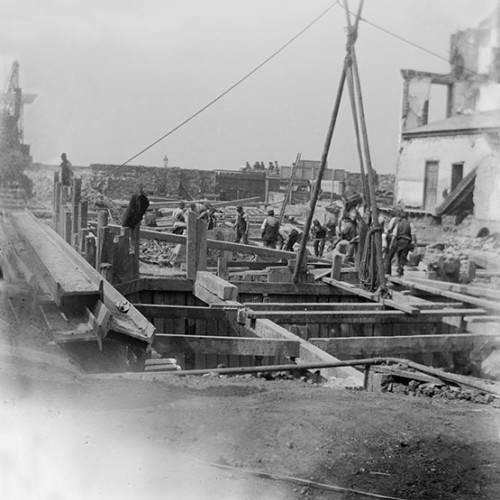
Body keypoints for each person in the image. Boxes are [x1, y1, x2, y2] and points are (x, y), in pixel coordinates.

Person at [384, 211, 413, 276]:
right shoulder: (410, 224)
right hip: (407, 242)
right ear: (407, 217)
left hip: (399, 241)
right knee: (403, 256)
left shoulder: (398, 224)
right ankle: (400, 269)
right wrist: (414, 243)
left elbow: (394, 235)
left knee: (398, 255)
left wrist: (391, 244)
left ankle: (388, 272)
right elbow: (413, 234)